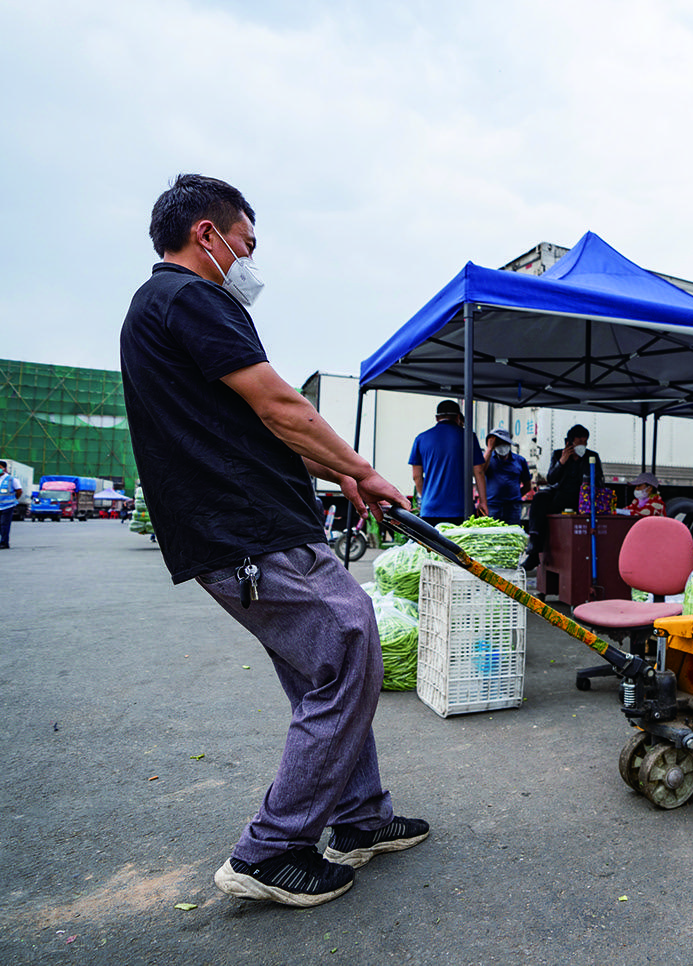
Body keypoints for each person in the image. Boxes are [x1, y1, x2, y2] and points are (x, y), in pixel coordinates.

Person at [120, 173, 427, 908]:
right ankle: (272, 850)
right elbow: (280, 405)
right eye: (246, 244)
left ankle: (359, 819)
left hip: (249, 526)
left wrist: (338, 477)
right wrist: (365, 470)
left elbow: (259, 424)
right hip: (250, 531)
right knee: (352, 644)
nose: (249, 260)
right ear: (208, 235)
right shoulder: (190, 297)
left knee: (327, 670)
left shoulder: (159, 309)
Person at [522, 424, 602, 571]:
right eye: (579, 442)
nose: (582, 445)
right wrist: (562, 462)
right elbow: (551, 479)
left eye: (585, 442)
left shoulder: (592, 456)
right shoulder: (559, 454)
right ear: (569, 442)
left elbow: (599, 480)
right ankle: (534, 546)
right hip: (560, 494)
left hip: (581, 497)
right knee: (540, 498)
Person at [409, 400, 485, 525]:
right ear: (458, 417)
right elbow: (479, 471)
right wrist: (483, 502)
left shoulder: (421, 438)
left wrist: (428, 497)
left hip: (430, 510)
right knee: (460, 544)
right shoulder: (469, 437)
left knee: (432, 544)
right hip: (461, 510)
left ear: (436, 418)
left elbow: (416, 477)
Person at [481, 428, 531, 527]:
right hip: (492, 506)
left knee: (512, 536)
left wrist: (514, 497)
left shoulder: (520, 460)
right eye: (498, 443)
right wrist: (489, 449)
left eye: (504, 442)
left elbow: (527, 485)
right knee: (492, 536)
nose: (502, 446)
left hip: (513, 507)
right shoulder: (488, 459)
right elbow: (480, 471)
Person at [0, 459, 21, 548]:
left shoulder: (11, 479)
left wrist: (14, 500)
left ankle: (4, 542)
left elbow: (19, 491)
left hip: (7, 506)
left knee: (4, 524)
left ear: (4, 468)